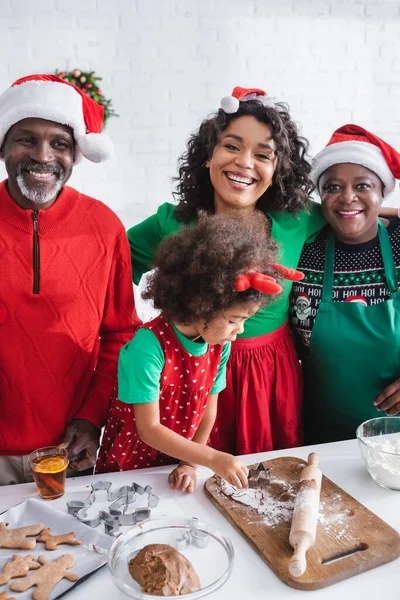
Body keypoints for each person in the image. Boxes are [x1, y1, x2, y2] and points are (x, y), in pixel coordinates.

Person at [127, 86, 325, 456]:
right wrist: (134, 341)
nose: (244, 163)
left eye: (263, 154)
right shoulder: (170, 223)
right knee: (190, 478)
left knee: (266, 476)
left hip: (268, 373)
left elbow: (354, 212)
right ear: (208, 156)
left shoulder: (296, 219)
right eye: (232, 146)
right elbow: (107, 265)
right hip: (191, 372)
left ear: (277, 168)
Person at [96, 212, 303, 491]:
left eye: (244, 320)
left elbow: (208, 411)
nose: (239, 330)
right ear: (199, 305)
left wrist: (190, 462)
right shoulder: (147, 348)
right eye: (233, 320)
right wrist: (212, 458)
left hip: (186, 455)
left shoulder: (219, 347)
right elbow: (149, 430)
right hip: (135, 462)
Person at [0, 74, 140, 485]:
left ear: (76, 152)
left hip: (74, 447)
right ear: (4, 145)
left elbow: (120, 335)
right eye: (26, 139)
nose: (43, 156)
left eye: (59, 143)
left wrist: (91, 416)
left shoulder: (105, 226)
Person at [290, 124, 400, 444]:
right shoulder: (302, 249)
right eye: (333, 187)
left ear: (382, 192)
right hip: (321, 434)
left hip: (395, 441)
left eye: (363, 185)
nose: (347, 197)